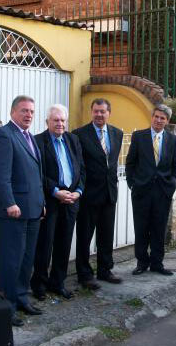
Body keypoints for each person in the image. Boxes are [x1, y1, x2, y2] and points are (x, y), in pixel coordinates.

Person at [0, 95, 45, 327]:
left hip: (33, 209)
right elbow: (2, 175)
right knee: (12, 260)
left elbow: (36, 175)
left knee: (26, 259)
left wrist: (41, 202)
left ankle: (22, 299)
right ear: (13, 112)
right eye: (24, 111)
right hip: (14, 210)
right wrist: (10, 202)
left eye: (31, 111)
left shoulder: (29, 136)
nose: (28, 115)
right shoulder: (4, 135)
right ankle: (8, 307)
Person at [30, 104, 85, 301]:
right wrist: (55, 191)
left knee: (63, 245)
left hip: (71, 201)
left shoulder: (73, 140)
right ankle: (39, 285)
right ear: (47, 122)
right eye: (56, 120)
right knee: (44, 246)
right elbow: (38, 174)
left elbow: (81, 169)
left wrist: (78, 192)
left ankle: (58, 283)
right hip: (50, 201)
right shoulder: (37, 142)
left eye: (62, 120)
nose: (60, 123)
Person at [126, 104, 176, 276]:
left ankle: (157, 263)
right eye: (156, 116)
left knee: (159, 229)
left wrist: (170, 185)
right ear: (152, 117)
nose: (158, 120)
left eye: (162, 118)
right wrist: (132, 183)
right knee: (141, 228)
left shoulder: (173, 140)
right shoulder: (139, 136)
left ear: (167, 121)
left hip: (162, 192)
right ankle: (142, 262)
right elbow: (130, 163)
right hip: (141, 191)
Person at [73, 98, 123, 288]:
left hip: (109, 193)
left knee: (106, 235)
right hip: (88, 195)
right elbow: (78, 165)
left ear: (109, 113)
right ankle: (84, 275)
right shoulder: (79, 135)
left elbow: (111, 163)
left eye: (103, 111)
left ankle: (105, 270)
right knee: (84, 237)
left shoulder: (116, 133)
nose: (99, 115)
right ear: (91, 112)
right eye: (96, 111)